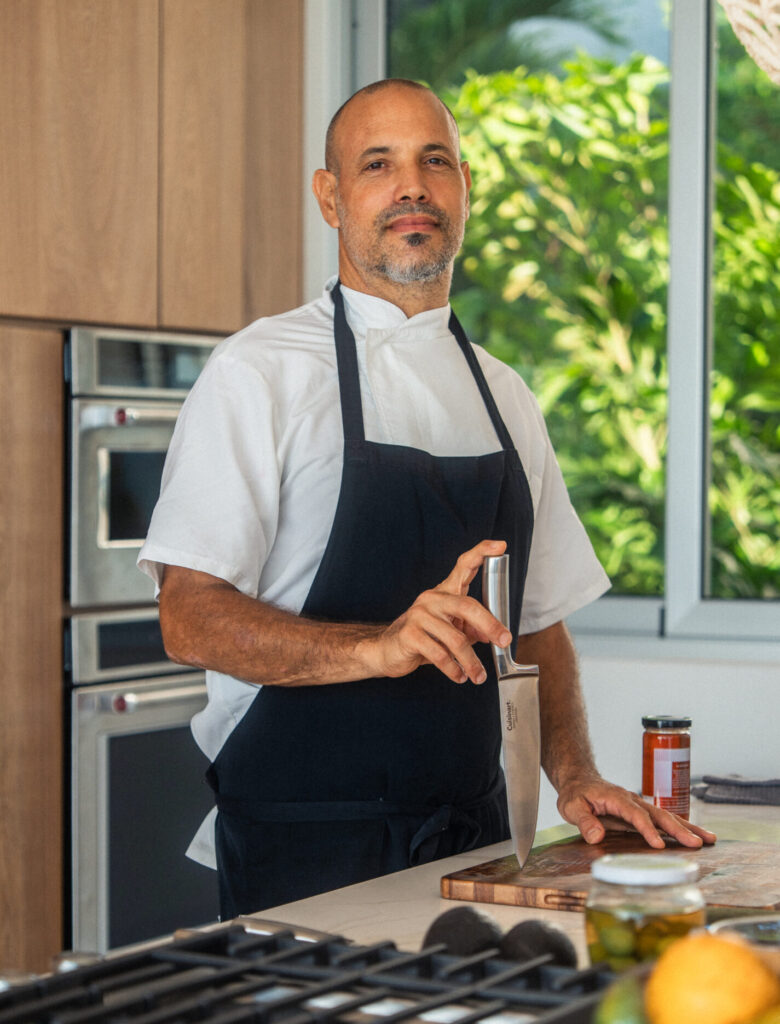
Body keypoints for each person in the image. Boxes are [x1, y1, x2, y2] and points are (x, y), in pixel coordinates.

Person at [138, 78, 715, 919]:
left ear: (464, 190)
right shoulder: (259, 373)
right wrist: (378, 646)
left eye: (433, 161)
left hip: (476, 842)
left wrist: (577, 774)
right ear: (331, 198)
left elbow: (538, 624)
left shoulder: (506, 394)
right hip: (307, 846)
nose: (412, 186)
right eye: (379, 164)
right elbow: (187, 618)